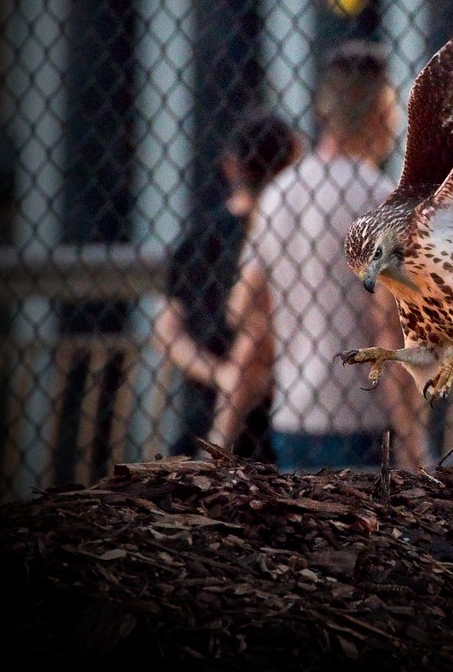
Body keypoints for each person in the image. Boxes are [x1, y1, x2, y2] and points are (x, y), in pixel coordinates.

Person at [207, 40, 427, 471]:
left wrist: (220, 435)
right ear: (382, 112)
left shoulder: (278, 194)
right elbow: (388, 328)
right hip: (360, 418)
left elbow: (249, 311)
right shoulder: (381, 199)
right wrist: (414, 443)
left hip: (292, 416)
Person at [153, 110, 300, 461]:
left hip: (203, 417)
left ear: (231, 166)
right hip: (281, 419)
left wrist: (219, 374)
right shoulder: (291, 233)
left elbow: (166, 329)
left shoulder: (199, 236)